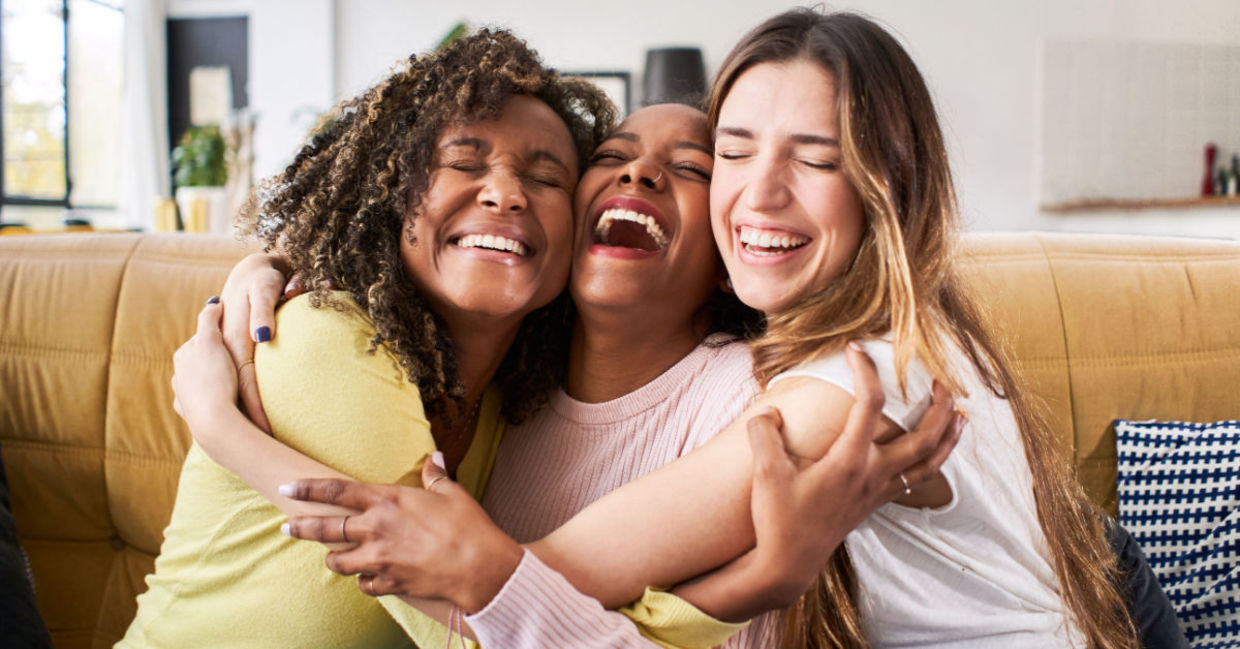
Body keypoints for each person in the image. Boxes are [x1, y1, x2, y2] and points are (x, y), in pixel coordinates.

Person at [271, 9, 1170, 649]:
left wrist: (227, 426)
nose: (760, 191)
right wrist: (274, 265)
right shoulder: (527, 366)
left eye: (815, 159)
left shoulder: (843, 393)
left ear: (886, 187)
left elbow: (512, 584)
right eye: (736, 150)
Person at [118, 29, 615, 648]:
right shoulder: (325, 337)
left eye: (546, 178)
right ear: (391, 194)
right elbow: (475, 635)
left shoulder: (516, 394)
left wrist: (223, 428)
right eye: (463, 163)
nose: (507, 193)